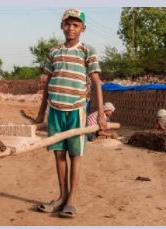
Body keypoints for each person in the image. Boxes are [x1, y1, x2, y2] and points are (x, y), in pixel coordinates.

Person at [34, 8, 107, 218]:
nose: (71, 28)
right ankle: (61, 197)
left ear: (82, 28)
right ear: (61, 26)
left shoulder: (87, 50)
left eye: (75, 25)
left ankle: (71, 200)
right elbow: (47, 84)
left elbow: (96, 82)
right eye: (67, 24)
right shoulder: (54, 52)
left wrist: (101, 114)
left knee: (75, 154)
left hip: (76, 110)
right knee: (59, 154)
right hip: (55, 110)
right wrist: (41, 114)